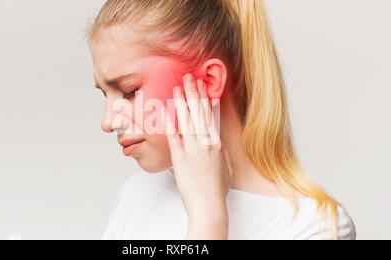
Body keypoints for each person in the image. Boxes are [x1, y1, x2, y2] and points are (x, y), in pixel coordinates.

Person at [88, 0, 356, 240]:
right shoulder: (136, 195)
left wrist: (208, 218)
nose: (108, 122)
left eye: (129, 91)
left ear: (209, 82)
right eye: (105, 95)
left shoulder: (315, 228)